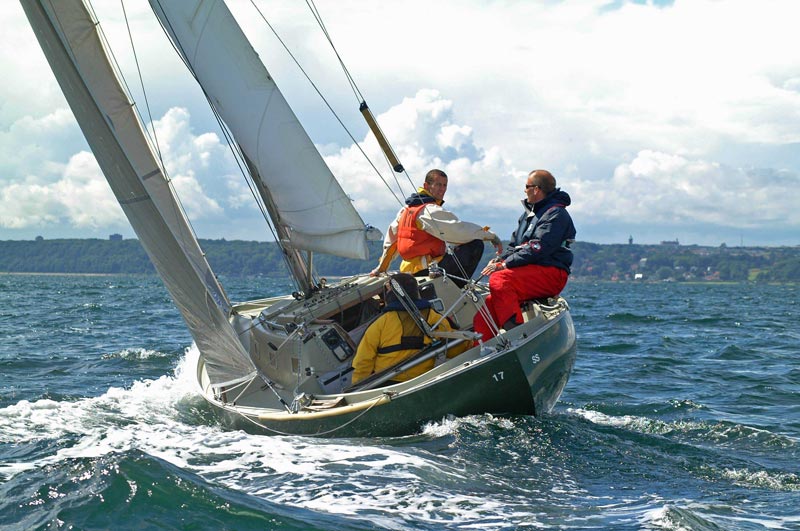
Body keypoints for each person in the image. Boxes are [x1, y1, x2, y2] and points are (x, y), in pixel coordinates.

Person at [473, 170, 576, 341]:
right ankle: (480, 350)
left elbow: (538, 247)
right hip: (529, 272)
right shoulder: (528, 216)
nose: (524, 191)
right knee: (488, 309)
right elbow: (515, 246)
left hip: (551, 273)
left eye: (526, 187)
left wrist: (504, 265)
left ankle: (517, 337)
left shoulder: (556, 214)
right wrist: (500, 259)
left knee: (500, 280)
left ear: (536, 189)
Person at [370, 169, 502, 288]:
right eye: (438, 184)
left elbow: (392, 241)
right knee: (475, 244)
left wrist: (381, 268)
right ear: (426, 186)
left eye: (445, 185)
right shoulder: (429, 210)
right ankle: (457, 289)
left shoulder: (406, 210)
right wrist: (490, 236)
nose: (442, 189)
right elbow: (458, 230)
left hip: (409, 269)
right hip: (427, 268)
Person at [351, 273, 467, 385]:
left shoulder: (380, 324)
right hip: (425, 377)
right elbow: (455, 348)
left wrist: (357, 386)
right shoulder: (434, 317)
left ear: (391, 294)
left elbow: (363, 361)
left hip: (388, 382)